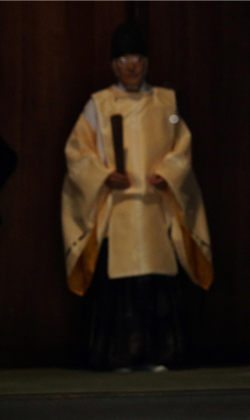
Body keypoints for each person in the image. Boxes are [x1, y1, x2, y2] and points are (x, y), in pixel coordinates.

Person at [61, 23, 213, 371]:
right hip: (118, 210)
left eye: (138, 59)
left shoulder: (166, 103)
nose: (132, 67)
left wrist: (170, 173)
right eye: (125, 60)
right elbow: (76, 152)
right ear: (114, 65)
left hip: (156, 207)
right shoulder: (97, 105)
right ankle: (119, 356)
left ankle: (161, 355)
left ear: (147, 63)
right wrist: (102, 175)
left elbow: (182, 140)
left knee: (158, 284)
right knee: (118, 289)